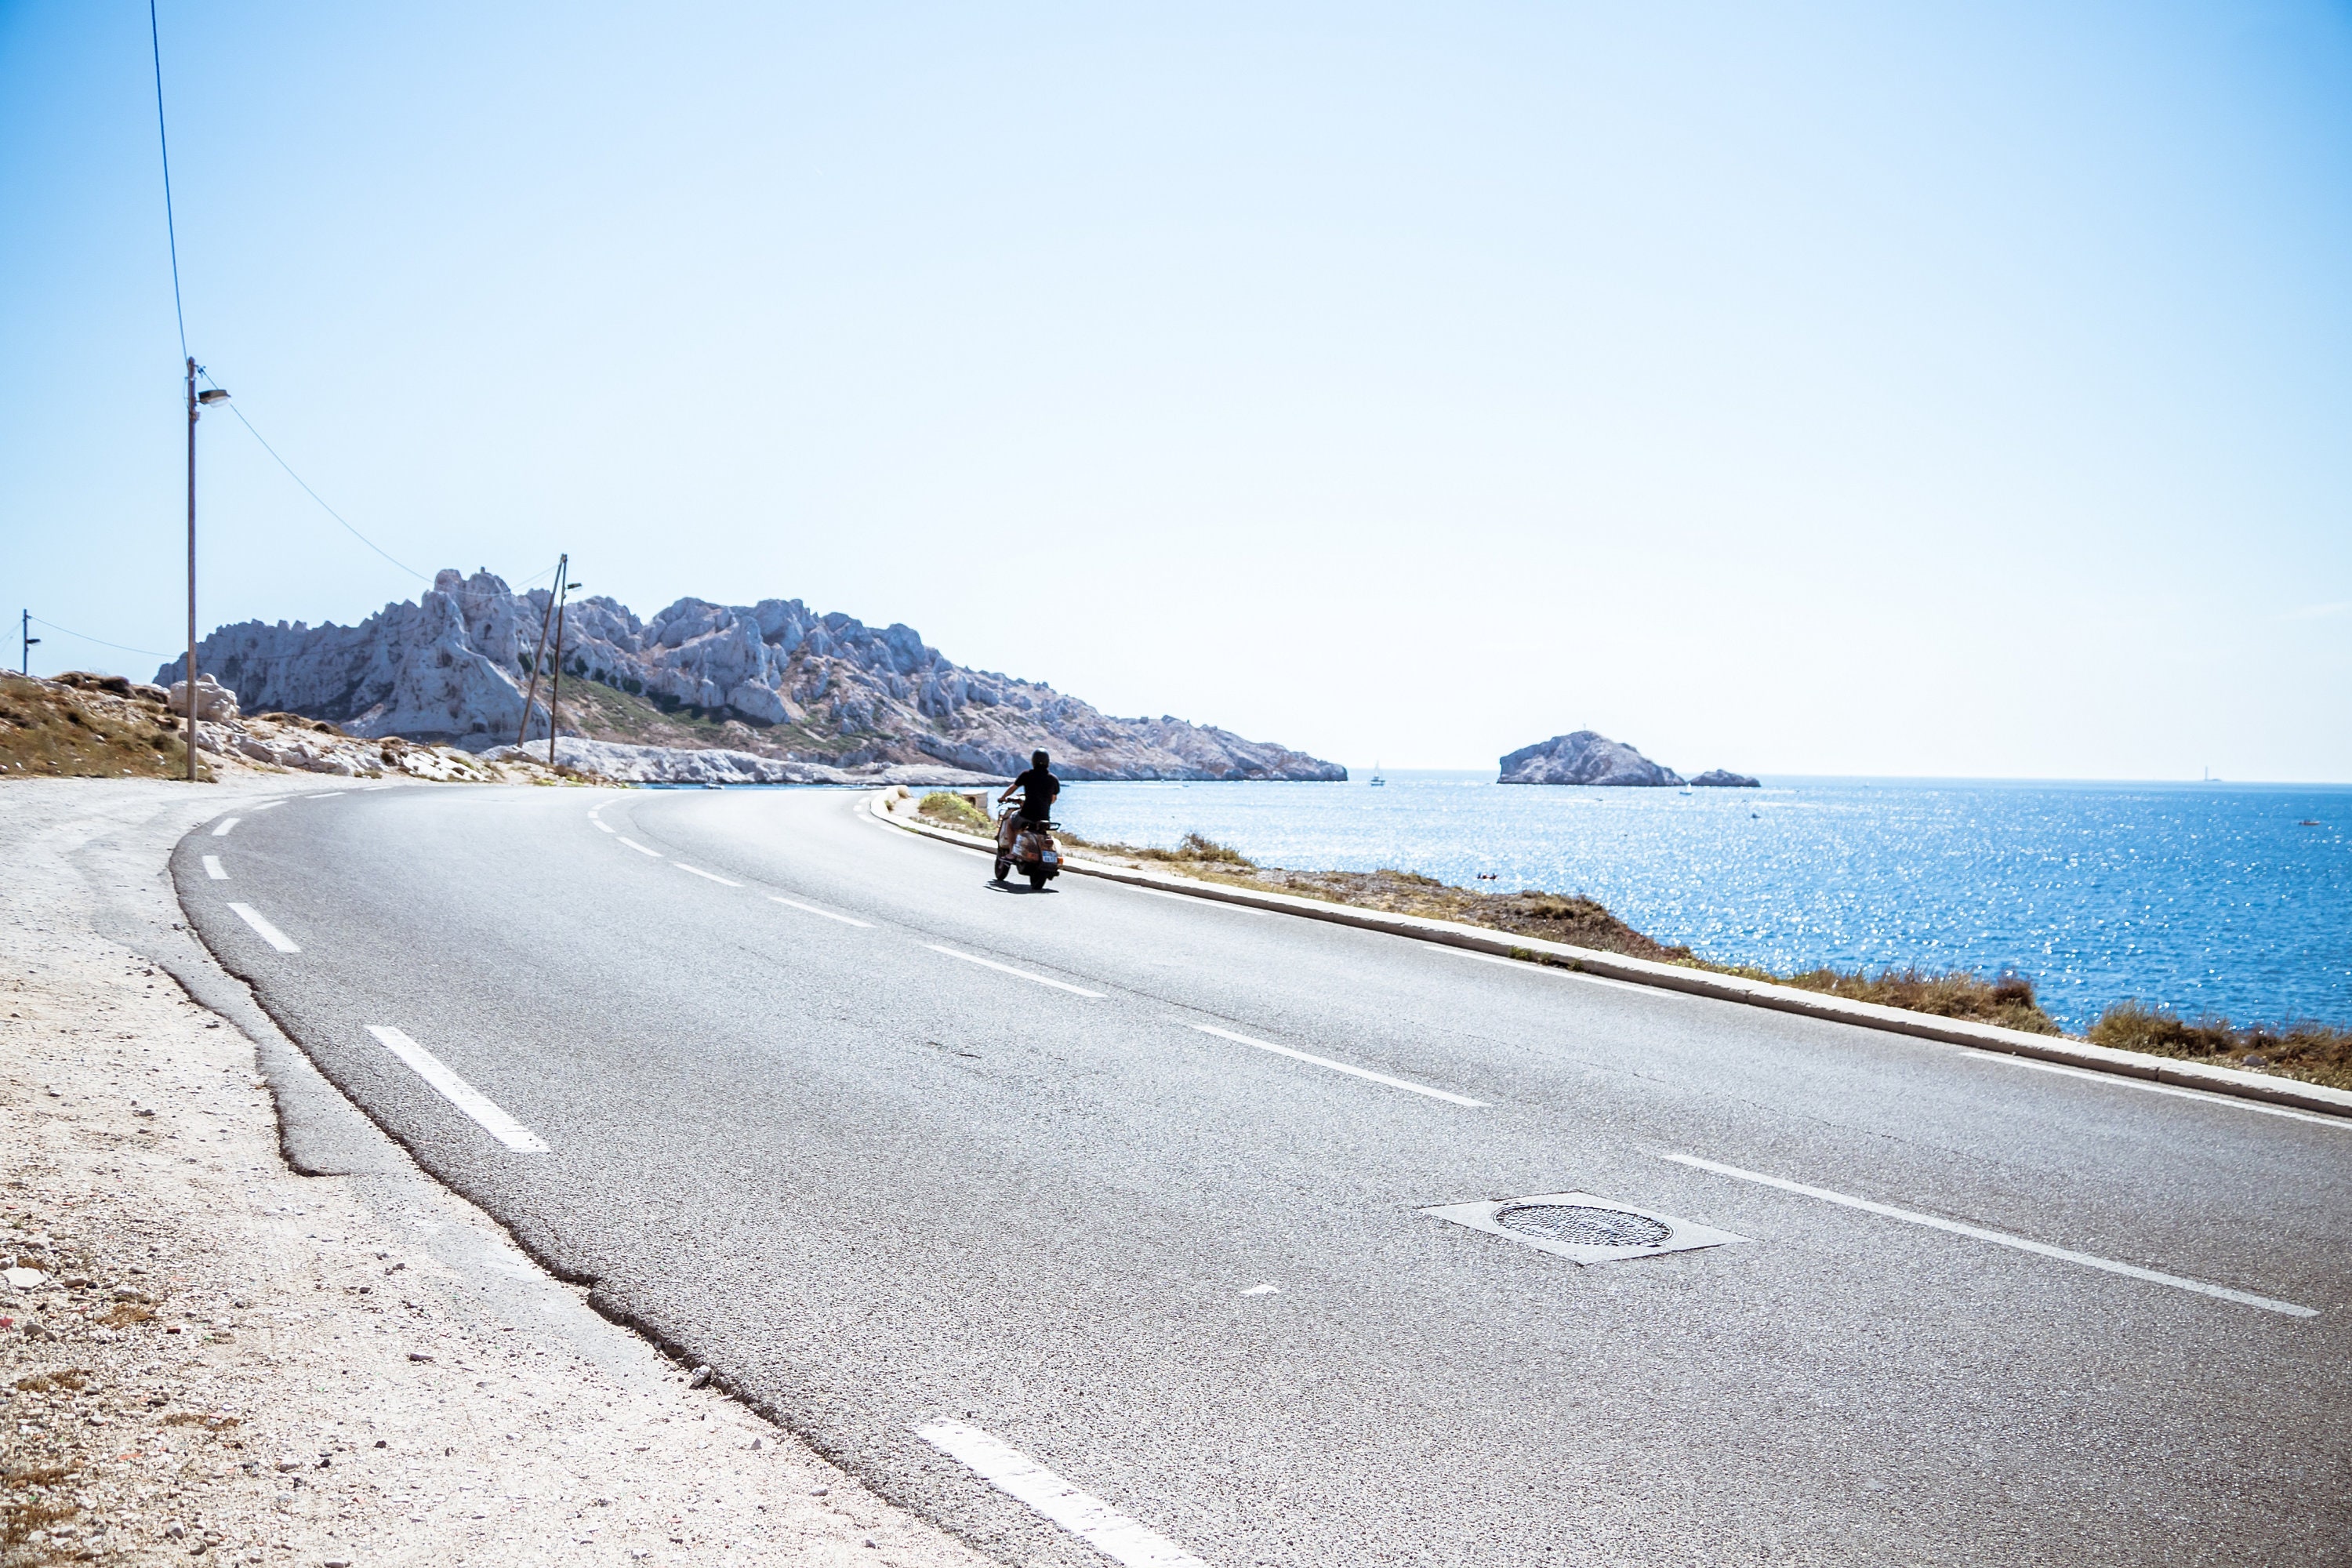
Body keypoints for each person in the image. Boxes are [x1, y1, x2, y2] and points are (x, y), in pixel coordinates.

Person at [997, 750, 1060, 854]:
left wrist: (1003, 797)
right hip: (1044, 817)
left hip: (1026, 815)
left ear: (1033, 761)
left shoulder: (1027, 774)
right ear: (1048, 762)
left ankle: (1012, 852)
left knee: (1010, 823)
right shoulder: (1053, 779)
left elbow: (1013, 787)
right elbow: (1054, 798)